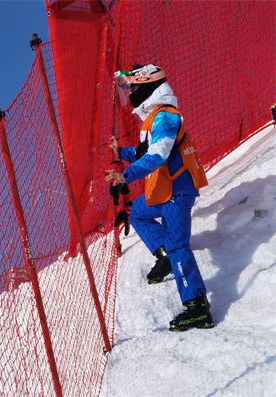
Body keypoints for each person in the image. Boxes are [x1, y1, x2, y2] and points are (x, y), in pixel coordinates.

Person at [105, 64, 214, 332]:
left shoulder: (165, 117)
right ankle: (164, 256)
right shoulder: (153, 118)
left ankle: (198, 307)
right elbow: (146, 150)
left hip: (177, 192)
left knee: (179, 246)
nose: (129, 94)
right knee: (139, 214)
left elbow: (158, 155)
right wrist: (122, 152)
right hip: (163, 191)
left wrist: (126, 176)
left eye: (132, 88)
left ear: (147, 87)